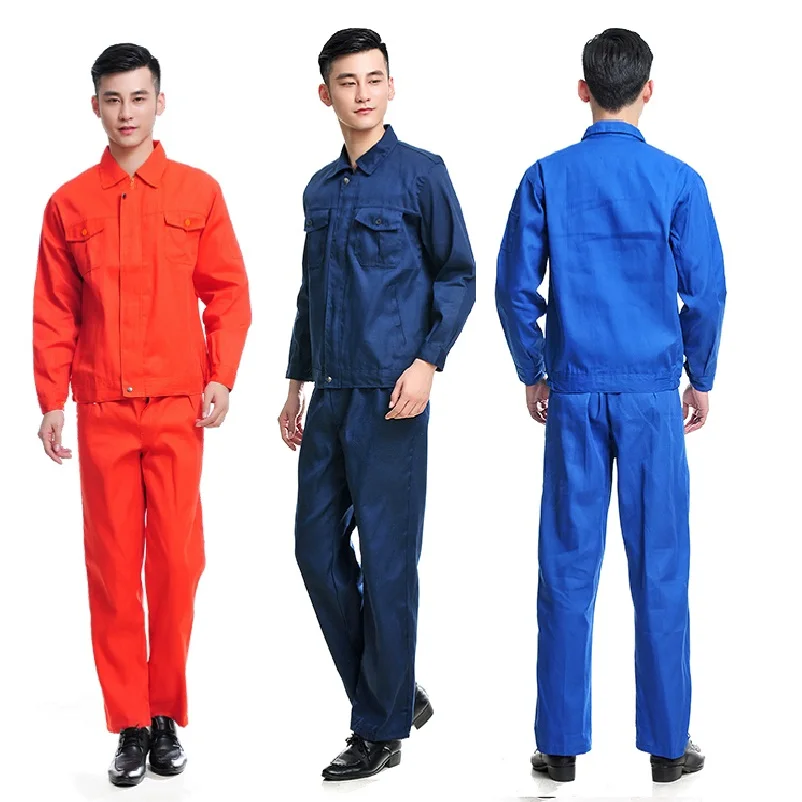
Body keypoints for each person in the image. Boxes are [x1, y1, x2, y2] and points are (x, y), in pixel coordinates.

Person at [495, 28, 725, 784]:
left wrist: (535, 368)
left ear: (583, 89)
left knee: (567, 566)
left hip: (575, 393)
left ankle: (560, 747)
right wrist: (700, 375)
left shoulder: (546, 176)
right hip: (653, 399)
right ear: (648, 91)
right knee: (660, 569)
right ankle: (667, 747)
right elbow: (707, 291)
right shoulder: (678, 181)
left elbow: (512, 287)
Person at [32, 43, 251, 787]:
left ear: (161, 102)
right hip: (100, 408)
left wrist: (222, 375)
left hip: (178, 408)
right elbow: (55, 309)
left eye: (138, 97)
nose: (126, 112)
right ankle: (129, 722)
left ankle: (164, 712)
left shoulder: (198, 191)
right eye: (113, 98)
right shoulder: (69, 203)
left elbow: (227, 291)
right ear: (95, 106)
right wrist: (50, 400)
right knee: (114, 568)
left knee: (177, 565)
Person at [278, 28, 475, 782]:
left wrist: (428, 363)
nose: (361, 93)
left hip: (393, 397)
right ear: (324, 93)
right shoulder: (319, 190)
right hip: (330, 394)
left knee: (389, 565)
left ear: (391, 86)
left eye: (373, 78)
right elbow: (311, 292)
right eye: (347, 81)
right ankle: (394, 691)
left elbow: (458, 275)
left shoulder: (423, 174)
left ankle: (378, 730)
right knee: (315, 552)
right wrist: (295, 384)